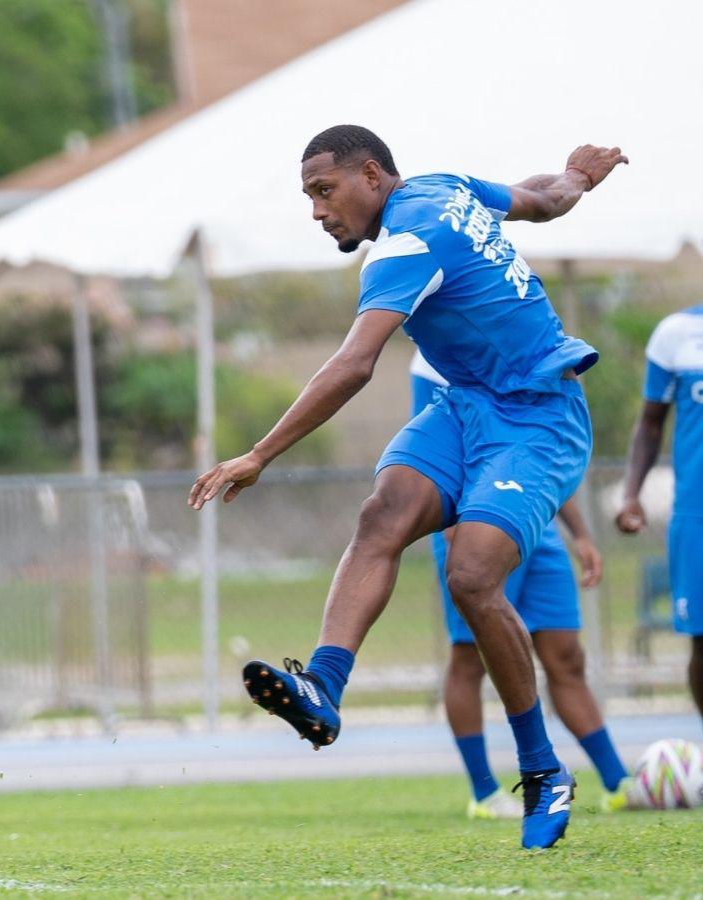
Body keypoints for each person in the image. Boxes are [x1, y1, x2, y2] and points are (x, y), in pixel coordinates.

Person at [188, 124, 626, 848]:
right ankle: (323, 688)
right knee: (381, 515)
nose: (319, 211)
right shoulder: (446, 188)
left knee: (473, 574)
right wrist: (578, 177)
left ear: (371, 176)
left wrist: (259, 454)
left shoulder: (403, 244)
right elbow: (542, 201)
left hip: (538, 414)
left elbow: (355, 365)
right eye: (309, 198)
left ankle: (544, 769)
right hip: (466, 404)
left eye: (325, 192)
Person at [411, 351, 631, 818]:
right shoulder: (434, 348)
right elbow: (431, 451)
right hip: (476, 527)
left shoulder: (527, 338)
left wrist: (582, 535)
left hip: (537, 523)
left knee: (566, 655)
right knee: (469, 659)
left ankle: (618, 783)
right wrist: (454, 532)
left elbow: (544, 446)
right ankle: (485, 793)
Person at [615, 304, 703, 724]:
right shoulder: (677, 333)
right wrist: (631, 495)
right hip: (696, 512)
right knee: (701, 642)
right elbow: (651, 424)